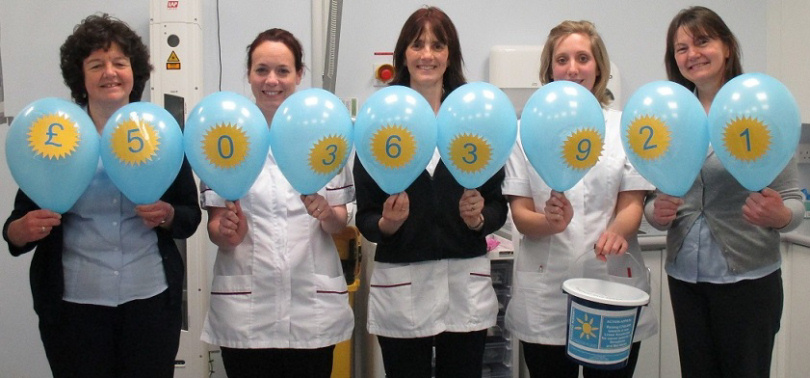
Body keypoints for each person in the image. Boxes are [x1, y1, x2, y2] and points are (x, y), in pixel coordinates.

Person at [2, 14, 201, 378]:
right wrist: (21, 230)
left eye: (119, 63)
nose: (110, 72)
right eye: (96, 64)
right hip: (73, 309)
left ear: (134, 71)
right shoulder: (57, 136)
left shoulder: (160, 134)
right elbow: (16, 227)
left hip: (150, 301)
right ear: (80, 77)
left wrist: (168, 214)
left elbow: (189, 214)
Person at [647, 6, 804, 377]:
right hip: (685, 276)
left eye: (703, 41)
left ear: (727, 47)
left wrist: (780, 216)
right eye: (681, 48)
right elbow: (654, 200)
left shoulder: (760, 108)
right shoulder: (669, 116)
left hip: (748, 277)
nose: (693, 54)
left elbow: (793, 202)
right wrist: (656, 212)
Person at [353, 6, 508, 378]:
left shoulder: (474, 119)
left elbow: (497, 205)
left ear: (450, 55)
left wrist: (479, 218)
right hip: (403, 285)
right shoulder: (381, 122)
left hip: (464, 284)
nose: (427, 55)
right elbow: (366, 216)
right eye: (417, 45)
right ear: (403, 54)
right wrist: (388, 223)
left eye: (437, 46)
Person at [502, 20, 658, 377]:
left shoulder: (624, 129)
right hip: (547, 293)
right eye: (562, 59)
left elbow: (631, 203)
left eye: (583, 58)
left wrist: (617, 231)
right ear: (549, 69)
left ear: (599, 67)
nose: (572, 68)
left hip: (612, 286)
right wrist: (549, 222)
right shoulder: (523, 132)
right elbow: (521, 215)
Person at [199, 28, 355, 378]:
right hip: (246, 312)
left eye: (283, 70)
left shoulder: (326, 135)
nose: (272, 80)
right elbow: (216, 227)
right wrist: (228, 231)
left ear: (299, 74)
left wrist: (326, 213)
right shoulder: (225, 137)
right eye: (262, 70)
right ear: (249, 74)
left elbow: (339, 221)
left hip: (310, 310)